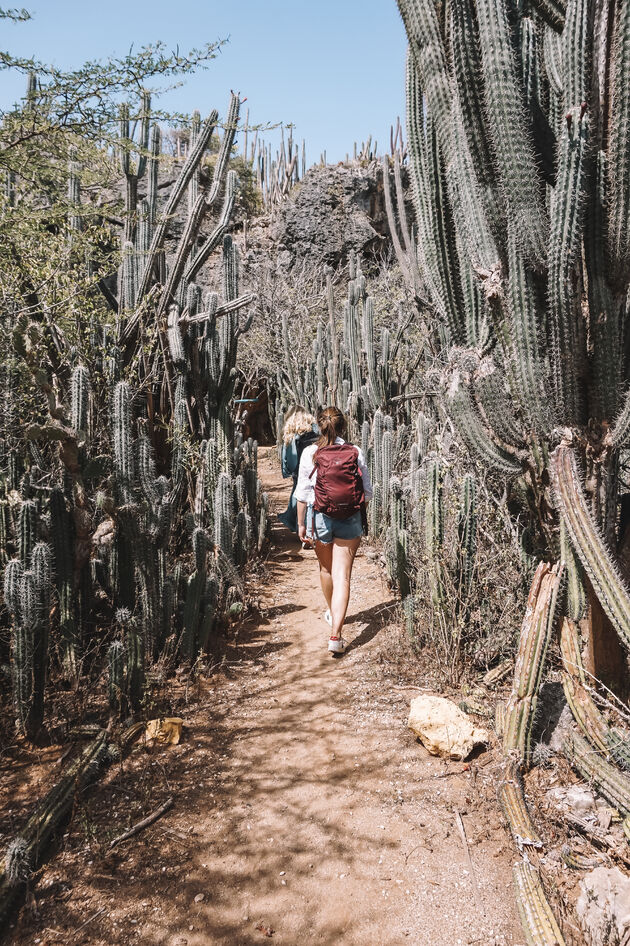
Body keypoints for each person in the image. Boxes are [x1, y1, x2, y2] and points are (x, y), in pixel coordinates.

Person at [294, 406, 373, 655]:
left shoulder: (311, 453)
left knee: (326, 569)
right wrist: (351, 507)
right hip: (350, 518)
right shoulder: (355, 451)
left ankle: (332, 611)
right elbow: (367, 491)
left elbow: (303, 494)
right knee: (344, 577)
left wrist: (301, 524)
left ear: (319, 426)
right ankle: (336, 635)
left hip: (321, 518)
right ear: (343, 427)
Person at [277, 406, 319, 537]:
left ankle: (300, 528)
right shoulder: (316, 432)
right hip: (317, 468)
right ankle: (310, 528)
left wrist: (287, 471)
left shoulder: (291, 436)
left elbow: (287, 457)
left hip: (299, 470)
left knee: (299, 496)